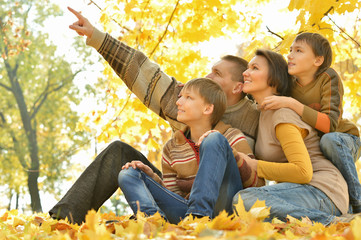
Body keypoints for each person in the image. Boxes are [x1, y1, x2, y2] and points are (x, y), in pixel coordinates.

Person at [49, 7, 259, 224]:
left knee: (215, 141)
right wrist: (97, 37)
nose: (207, 75)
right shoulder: (185, 104)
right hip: (185, 199)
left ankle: (194, 216)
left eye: (217, 73)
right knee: (121, 156)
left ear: (238, 87)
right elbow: (143, 72)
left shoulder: (256, 115)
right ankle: (63, 219)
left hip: (228, 200)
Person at [118, 78, 264, 224]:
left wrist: (228, 151)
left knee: (214, 139)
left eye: (188, 97)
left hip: (226, 210)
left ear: (207, 108)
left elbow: (257, 184)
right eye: (180, 96)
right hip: (186, 214)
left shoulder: (231, 136)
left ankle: (198, 216)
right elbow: (174, 196)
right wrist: (153, 178)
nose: (178, 102)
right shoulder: (172, 148)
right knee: (128, 174)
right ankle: (154, 222)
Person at [232, 49, 348, 226]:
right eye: (247, 68)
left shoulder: (282, 113)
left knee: (246, 200)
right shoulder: (263, 113)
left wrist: (253, 166)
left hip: (322, 191)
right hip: (301, 192)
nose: (245, 73)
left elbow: (303, 172)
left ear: (274, 79)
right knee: (249, 209)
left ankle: (336, 224)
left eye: (254, 68)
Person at [261, 32, 361, 213]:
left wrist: (293, 104)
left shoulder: (327, 77)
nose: (290, 55)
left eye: (298, 50)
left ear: (317, 60)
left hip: (343, 140)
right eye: (290, 50)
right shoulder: (289, 83)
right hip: (318, 146)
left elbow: (330, 125)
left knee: (329, 141)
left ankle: (357, 202)